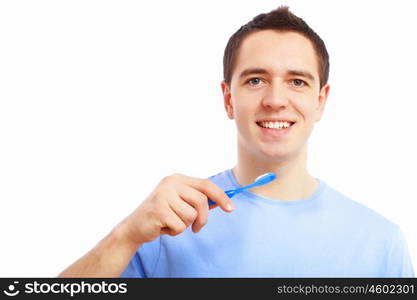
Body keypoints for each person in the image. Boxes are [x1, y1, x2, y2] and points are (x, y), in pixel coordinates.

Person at [58, 6, 415, 278]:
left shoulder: (381, 245)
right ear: (228, 99)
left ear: (321, 101)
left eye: (297, 82)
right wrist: (125, 236)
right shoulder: (167, 225)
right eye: (256, 80)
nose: (275, 99)